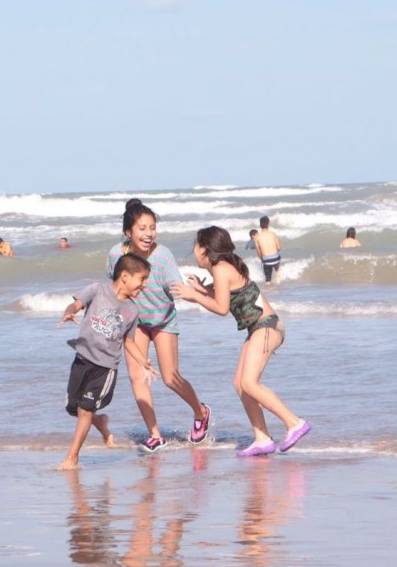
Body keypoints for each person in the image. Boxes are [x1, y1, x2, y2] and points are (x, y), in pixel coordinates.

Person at [172, 226, 311, 457]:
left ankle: (294, 422)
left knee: (249, 383)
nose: (193, 251)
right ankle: (262, 438)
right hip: (259, 328)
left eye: (195, 246)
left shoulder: (220, 268)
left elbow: (221, 308)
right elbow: (225, 294)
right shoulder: (223, 268)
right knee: (240, 383)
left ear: (205, 249)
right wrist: (202, 289)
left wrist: (194, 295)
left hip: (267, 326)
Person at [107, 199, 212, 452]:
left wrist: (190, 292)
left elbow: (174, 285)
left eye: (152, 227)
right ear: (128, 232)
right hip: (136, 323)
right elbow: (115, 289)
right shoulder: (115, 255)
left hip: (163, 320)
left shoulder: (162, 255)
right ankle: (154, 435)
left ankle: (200, 412)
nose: (148, 234)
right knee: (136, 376)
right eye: (142, 228)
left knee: (170, 377)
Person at [56, 253, 155, 470]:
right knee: (73, 407)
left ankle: (72, 457)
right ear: (126, 276)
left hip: (105, 368)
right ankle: (101, 423)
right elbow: (76, 304)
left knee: (84, 410)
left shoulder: (132, 310)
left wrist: (143, 362)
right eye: (142, 279)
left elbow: (128, 342)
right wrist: (68, 312)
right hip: (82, 359)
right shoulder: (97, 290)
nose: (144, 285)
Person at [254, 216, 282, 285]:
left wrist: (262, 259)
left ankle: (270, 291)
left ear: (260, 225)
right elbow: (279, 248)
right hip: (276, 258)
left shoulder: (256, 236)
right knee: (277, 272)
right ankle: (279, 285)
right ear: (268, 224)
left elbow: (258, 251)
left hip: (266, 260)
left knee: (268, 278)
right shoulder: (273, 234)